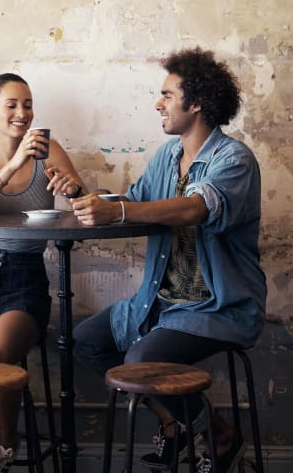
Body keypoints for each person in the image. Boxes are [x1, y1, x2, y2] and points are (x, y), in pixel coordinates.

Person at [70, 47, 266, 473]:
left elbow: (194, 209)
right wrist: (84, 197)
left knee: (141, 360)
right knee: (85, 340)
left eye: (166, 94)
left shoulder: (234, 160)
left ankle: (218, 434)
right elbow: (137, 203)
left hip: (219, 308)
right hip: (160, 303)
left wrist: (117, 210)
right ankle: (178, 425)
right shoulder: (166, 157)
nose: (157, 103)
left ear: (195, 103)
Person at [0, 73, 87, 473]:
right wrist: (13, 164)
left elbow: (86, 208)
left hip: (24, 278)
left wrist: (74, 189)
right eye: (12, 105)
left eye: (27, 104)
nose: (22, 113)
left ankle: (8, 442)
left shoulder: (50, 151)